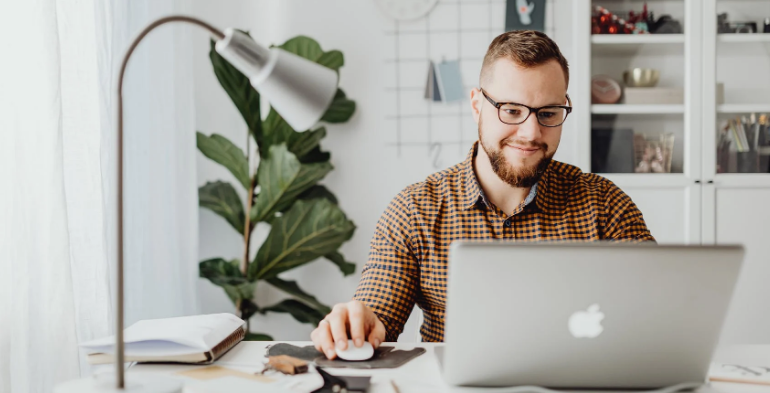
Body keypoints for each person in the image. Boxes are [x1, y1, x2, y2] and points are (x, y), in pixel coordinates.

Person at [310, 30, 654, 359]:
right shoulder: (415, 209)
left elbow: (659, 310)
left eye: (548, 113)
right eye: (512, 110)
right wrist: (358, 323)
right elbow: (378, 313)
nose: (531, 133)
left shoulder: (605, 205)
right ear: (477, 105)